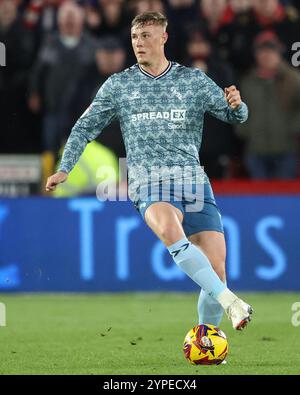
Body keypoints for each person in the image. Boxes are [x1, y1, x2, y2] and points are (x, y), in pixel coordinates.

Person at [46, 11, 253, 330]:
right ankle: (231, 302)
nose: (139, 43)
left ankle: (207, 338)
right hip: (148, 182)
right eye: (134, 37)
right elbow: (84, 127)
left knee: (216, 271)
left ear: (163, 38)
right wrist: (65, 168)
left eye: (145, 36)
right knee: (171, 231)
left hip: (193, 182)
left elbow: (234, 117)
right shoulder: (120, 85)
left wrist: (238, 106)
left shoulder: (192, 80)